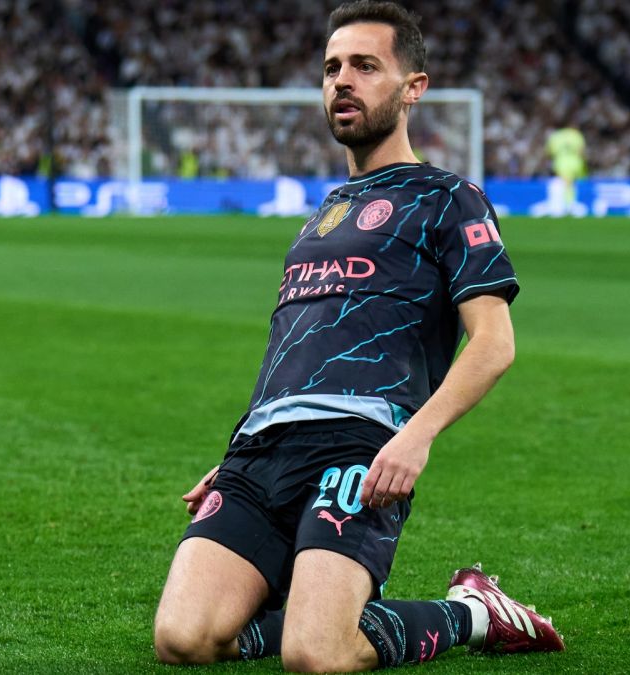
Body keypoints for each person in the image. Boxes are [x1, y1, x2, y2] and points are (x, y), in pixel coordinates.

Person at [153, 2, 564, 671]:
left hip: (360, 444)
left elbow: (494, 343)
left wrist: (416, 436)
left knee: (317, 654)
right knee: (182, 638)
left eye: (366, 66)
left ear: (413, 87)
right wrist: (237, 448)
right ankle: (304, 609)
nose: (342, 80)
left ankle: (472, 612)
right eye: (332, 68)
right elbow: (294, 344)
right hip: (261, 451)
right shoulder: (324, 212)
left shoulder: (448, 198)